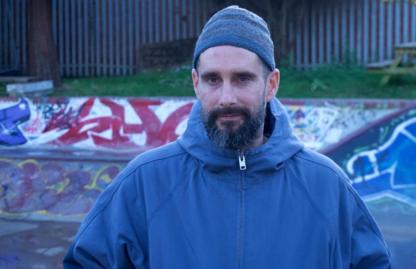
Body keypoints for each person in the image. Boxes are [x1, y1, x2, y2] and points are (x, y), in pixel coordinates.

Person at [64, 5, 391, 269]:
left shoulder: (326, 186)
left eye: (243, 78)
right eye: (212, 80)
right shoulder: (145, 183)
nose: (226, 98)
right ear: (195, 83)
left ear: (272, 84)